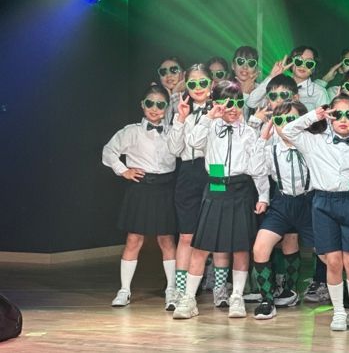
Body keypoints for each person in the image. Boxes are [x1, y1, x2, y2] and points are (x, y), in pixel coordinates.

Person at [172, 81, 267, 320]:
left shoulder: (249, 132)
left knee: (240, 247)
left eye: (237, 103)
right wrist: (209, 117)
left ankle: (236, 296)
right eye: (227, 103)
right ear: (216, 103)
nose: (232, 108)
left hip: (241, 189)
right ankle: (189, 298)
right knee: (201, 247)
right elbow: (193, 142)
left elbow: (257, 167)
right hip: (214, 189)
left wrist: (263, 195)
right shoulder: (209, 125)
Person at [283, 95, 349, 332]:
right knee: (332, 261)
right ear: (329, 116)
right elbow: (288, 131)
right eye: (337, 114)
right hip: (323, 201)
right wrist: (315, 115)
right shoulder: (315, 141)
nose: (343, 119)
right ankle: (339, 312)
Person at [102, 84, 178, 309]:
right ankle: (124, 290)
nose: (154, 109)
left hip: (166, 187)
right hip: (141, 188)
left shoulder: (174, 131)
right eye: (150, 103)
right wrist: (123, 170)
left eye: (160, 104)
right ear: (142, 105)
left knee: (167, 239)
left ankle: (171, 289)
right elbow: (108, 150)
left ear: (167, 107)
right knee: (134, 239)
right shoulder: (131, 131)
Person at [251, 101, 314, 319]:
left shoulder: (312, 145)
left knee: (326, 252)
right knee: (260, 247)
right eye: (279, 120)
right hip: (282, 203)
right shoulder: (272, 149)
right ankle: (267, 299)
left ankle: (291, 290)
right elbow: (256, 170)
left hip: (309, 203)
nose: (285, 125)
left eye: (291, 119)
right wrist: (262, 139)